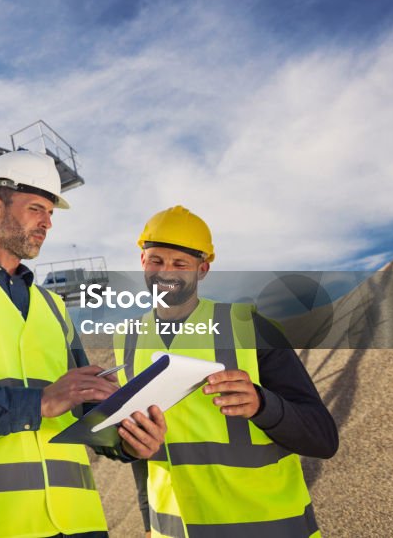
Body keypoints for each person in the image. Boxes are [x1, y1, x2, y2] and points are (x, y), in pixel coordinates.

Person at [0, 150, 167, 538]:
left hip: (78, 523)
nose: (46, 223)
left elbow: (87, 402)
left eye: (50, 214)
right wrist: (38, 403)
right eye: (35, 209)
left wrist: (129, 440)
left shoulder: (53, 307)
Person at [117, 205, 339, 538]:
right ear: (142, 262)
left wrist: (263, 405)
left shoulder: (248, 328)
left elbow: (323, 438)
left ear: (202, 269)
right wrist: (148, 519)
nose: (165, 272)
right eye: (156, 260)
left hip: (269, 527)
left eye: (180, 264)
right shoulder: (128, 340)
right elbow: (140, 446)